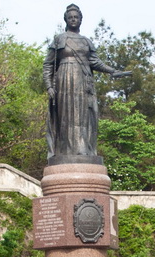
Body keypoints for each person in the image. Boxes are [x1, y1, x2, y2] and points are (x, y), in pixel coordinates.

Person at [43, 3, 131, 162]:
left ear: (80, 19)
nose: (73, 19)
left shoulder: (86, 41)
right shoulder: (59, 39)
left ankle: (83, 149)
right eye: (70, 17)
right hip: (64, 81)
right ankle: (64, 150)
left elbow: (95, 62)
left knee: (83, 116)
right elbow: (48, 64)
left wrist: (112, 71)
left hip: (83, 82)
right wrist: (49, 86)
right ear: (66, 20)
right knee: (65, 116)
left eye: (76, 17)